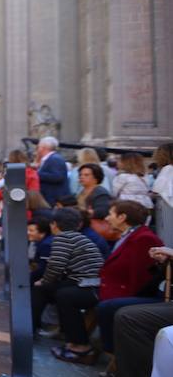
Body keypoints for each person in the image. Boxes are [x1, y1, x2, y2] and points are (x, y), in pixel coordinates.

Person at [31, 208, 105, 363]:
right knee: (51, 291)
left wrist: (43, 281)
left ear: (54, 225)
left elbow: (55, 266)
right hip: (88, 283)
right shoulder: (77, 237)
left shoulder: (63, 238)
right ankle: (67, 336)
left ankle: (81, 346)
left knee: (53, 292)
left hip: (89, 286)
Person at [95, 201, 164, 365]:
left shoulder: (143, 239)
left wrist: (117, 299)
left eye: (110, 214)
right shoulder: (131, 236)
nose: (106, 218)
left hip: (122, 292)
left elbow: (141, 279)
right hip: (111, 287)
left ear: (122, 217)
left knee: (105, 307)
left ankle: (116, 358)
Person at [36, 136, 69, 206]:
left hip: (54, 199)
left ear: (43, 148)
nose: (37, 150)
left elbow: (58, 177)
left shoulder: (55, 159)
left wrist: (37, 174)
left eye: (38, 147)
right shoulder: (50, 159)